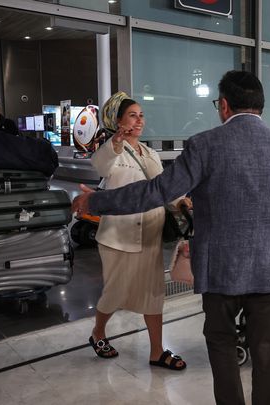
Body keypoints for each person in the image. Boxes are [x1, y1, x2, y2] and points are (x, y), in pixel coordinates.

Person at [72, 70, 270, 405]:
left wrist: (95, 201)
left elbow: (155, 192)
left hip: (220, 270)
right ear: (260, 106)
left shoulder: (203, 145)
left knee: (222, 346)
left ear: (225, 106)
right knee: (267, 352)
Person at [87, 91, 190, 370]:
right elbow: (99, 165)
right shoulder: (111, 151)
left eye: (141, 114)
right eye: (133, 115)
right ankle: (98, 332)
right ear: (118, 121)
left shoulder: (151, 153)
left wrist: (181, 201)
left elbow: (162, 188)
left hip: (150, 235)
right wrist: (116, 142)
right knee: (115, 293)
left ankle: (157, 351)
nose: (140, 120)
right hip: (117, 237)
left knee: (153, 295)